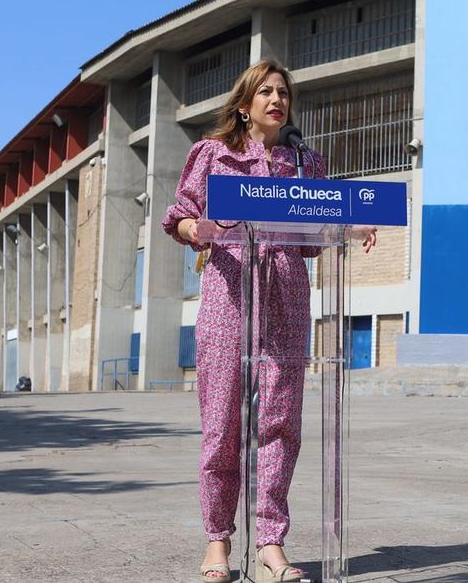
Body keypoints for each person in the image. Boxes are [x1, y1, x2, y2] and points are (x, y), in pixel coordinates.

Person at [163, 59, 376, 583]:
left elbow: (310, 240)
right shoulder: (213, 155)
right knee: (221, 426)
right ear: (244, 104)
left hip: (285, 298)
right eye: (266, 91)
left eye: (283, 92)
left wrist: (350, 226)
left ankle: (270, 544)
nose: (277, 99)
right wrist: (199, 229)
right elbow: (179, 215)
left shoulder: (305, 164)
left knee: (281, 424)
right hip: (229, 295)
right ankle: (218, 543)